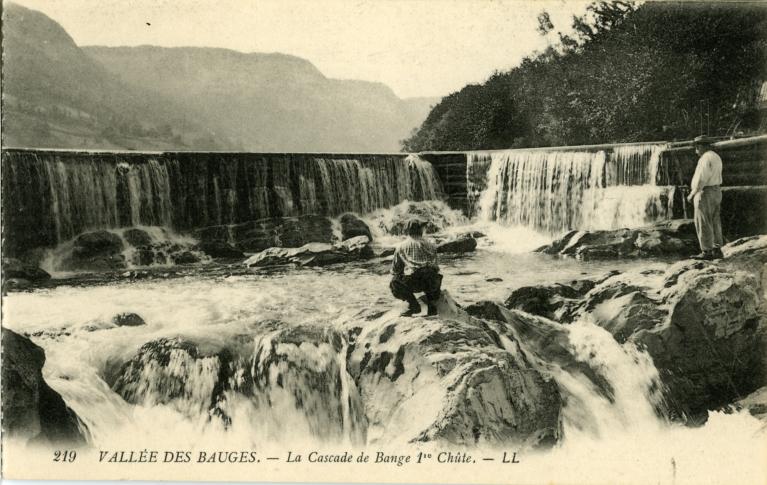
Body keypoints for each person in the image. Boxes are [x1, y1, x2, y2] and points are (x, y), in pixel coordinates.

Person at [390, 219, 443, 317]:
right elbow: (436, 267)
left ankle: (413, 305)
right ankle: (431, 306)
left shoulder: (401, 246)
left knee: (394, 282)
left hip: (416, 282)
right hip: (433, 283)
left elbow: (395, 270)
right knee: (430, 274)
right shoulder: (431, 245)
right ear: (421, 230)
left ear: (408, 231)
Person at [687, 135, 724, 260]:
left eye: (697, 147)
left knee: (703, 221)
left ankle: (706, 251)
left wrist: (693, 193)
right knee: (715, 221)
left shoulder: (705, 158)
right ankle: (717, 249)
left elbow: (702, 178)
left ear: (702, 146)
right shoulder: (716, 156)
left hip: (705, 191)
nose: (696, 150)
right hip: (716, 190)